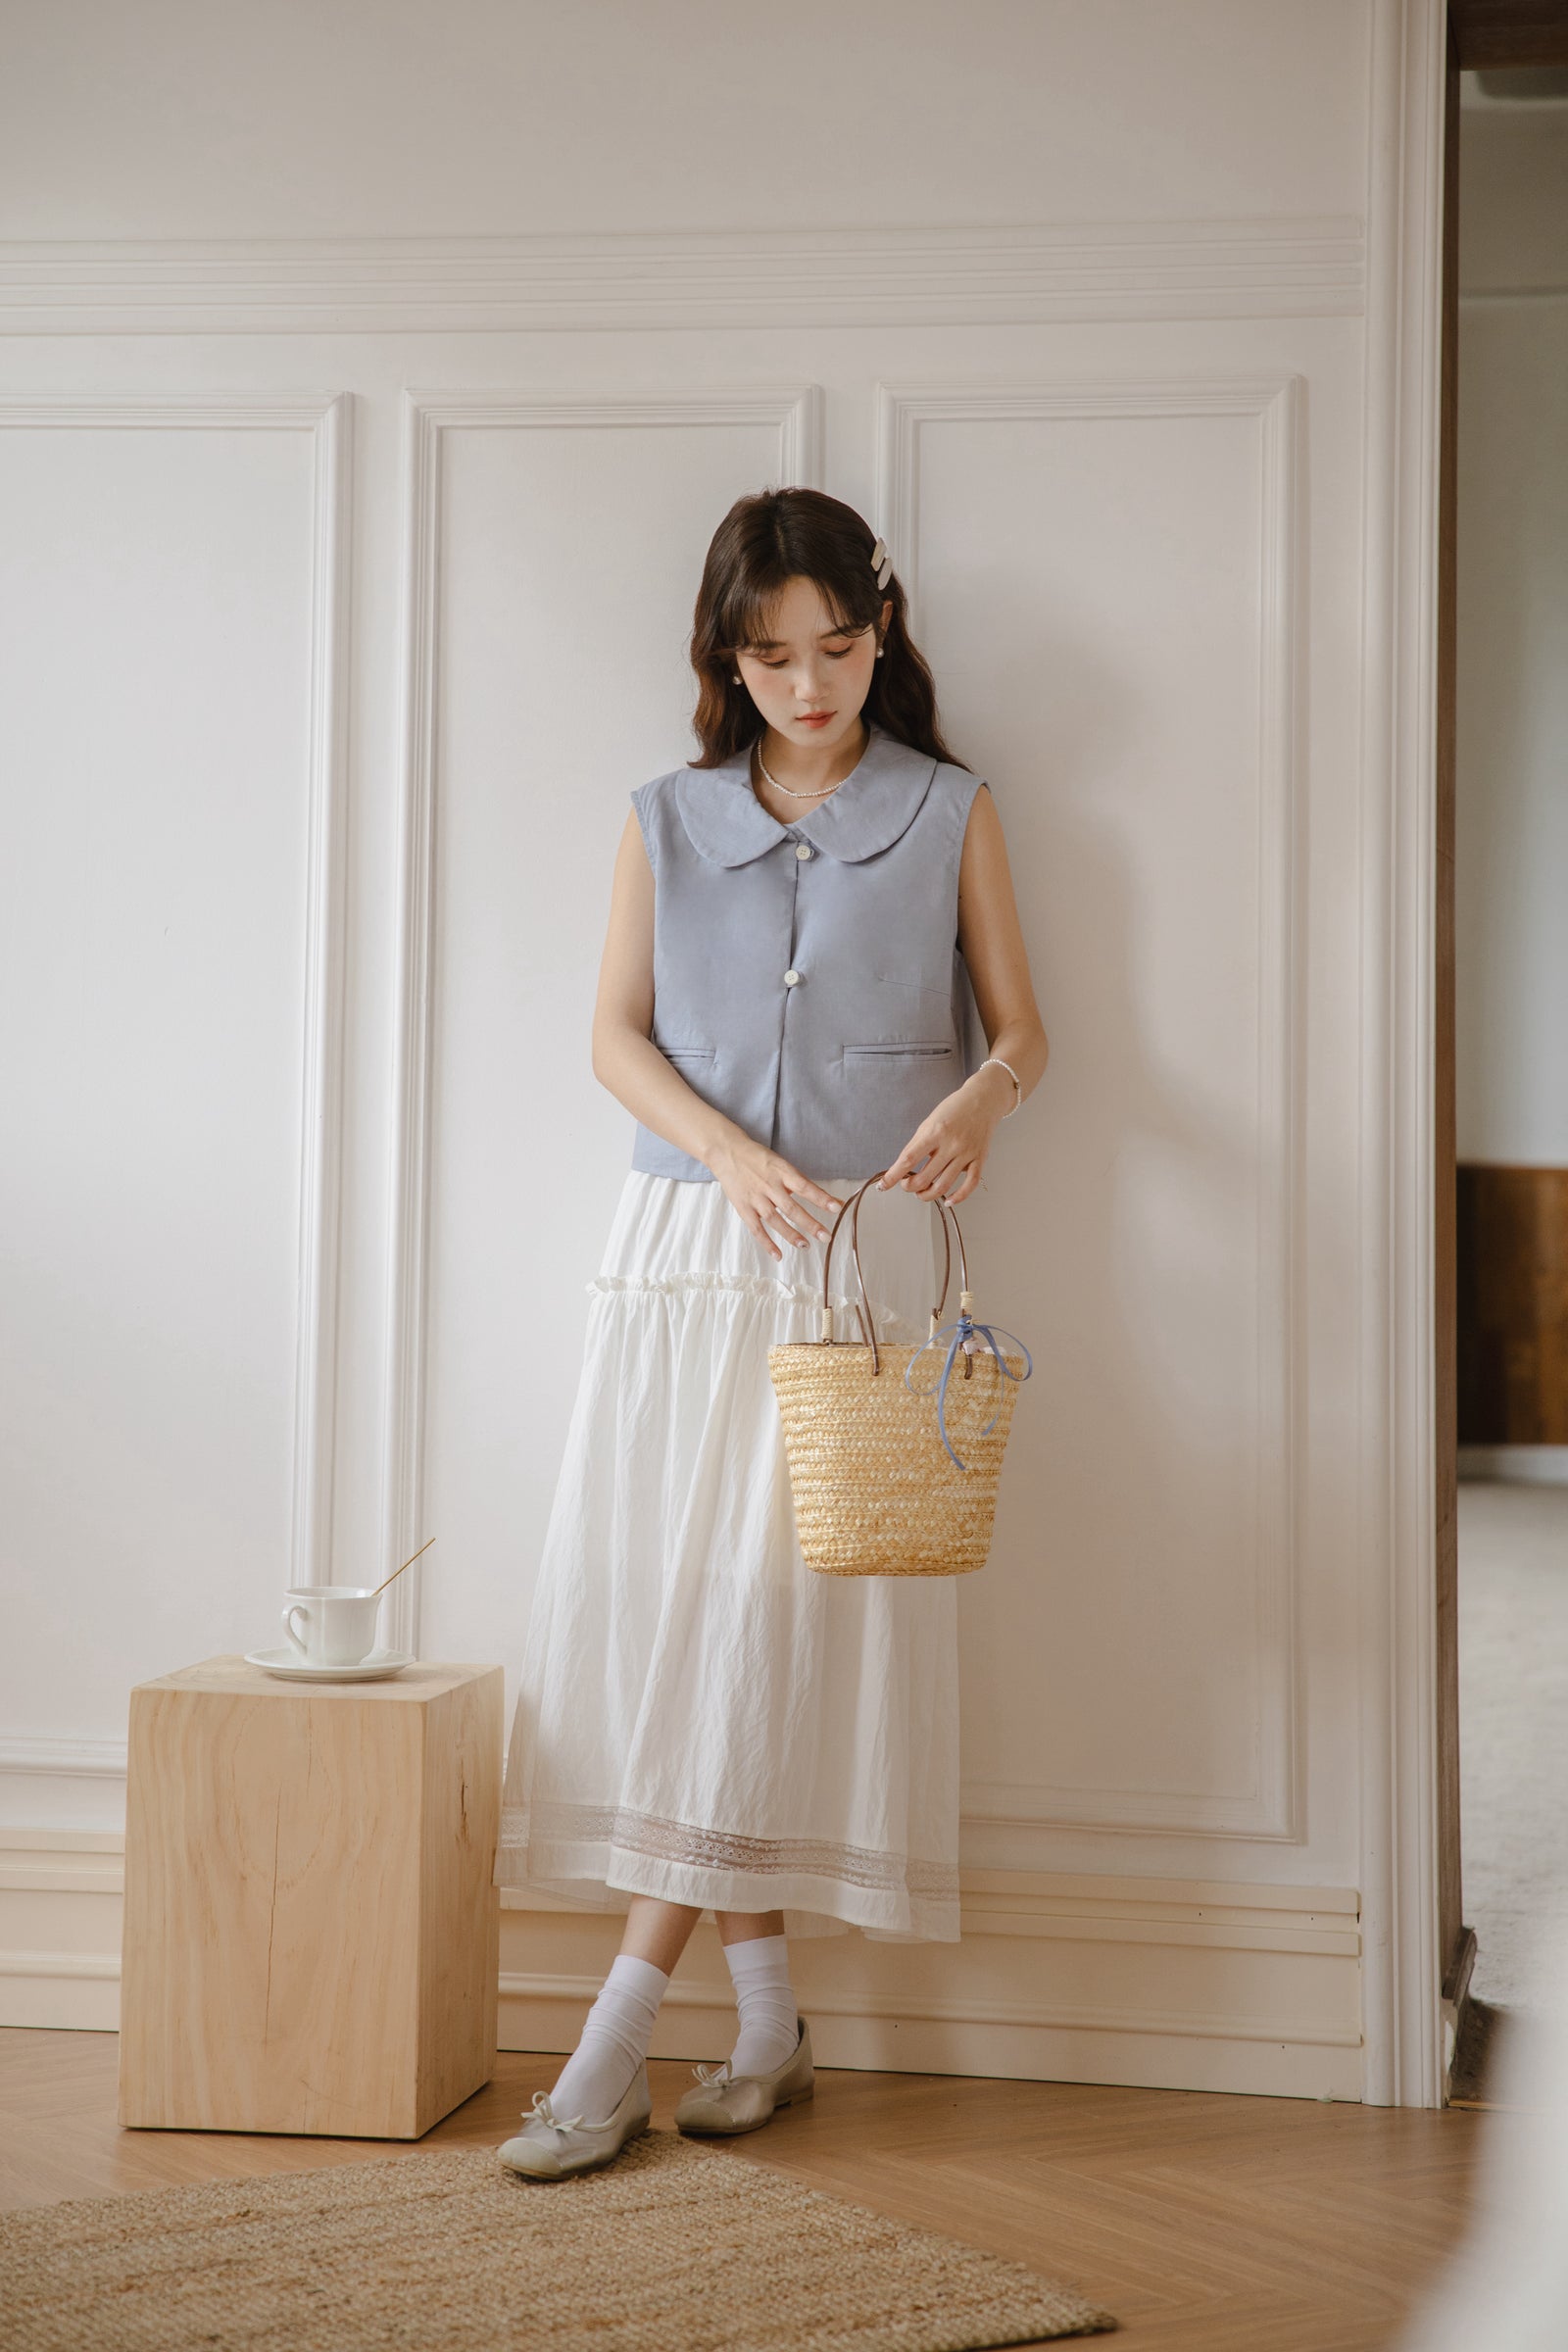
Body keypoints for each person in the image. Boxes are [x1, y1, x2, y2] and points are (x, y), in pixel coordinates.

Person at [494, 486, 1049, 2180]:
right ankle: (761, 2019)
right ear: (727, 658)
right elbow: (610, 1036)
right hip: (684, 1249)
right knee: (694, 1617)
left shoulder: (951, 811)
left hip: (853, 1265)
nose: (810, 685)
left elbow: (1026, 1030)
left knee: (761, 1618)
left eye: (839, 648)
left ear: (884, 634)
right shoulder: (663, 819)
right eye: (772, 655)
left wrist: (980, 1104)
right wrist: (730, 1154)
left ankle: (614, 2035)